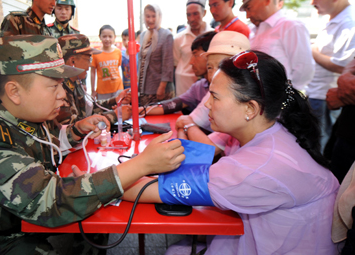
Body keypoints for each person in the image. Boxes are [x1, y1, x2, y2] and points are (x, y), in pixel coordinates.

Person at [0, 34, 185, 255]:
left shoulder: (22, 112)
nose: (63, 95)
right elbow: (49, 202)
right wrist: (142, 165)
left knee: (97, 227)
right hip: (5, 240)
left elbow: (47, 142)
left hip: (31, 222)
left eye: (62, 85)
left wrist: (75, 130)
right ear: (14, 91)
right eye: (53, 86)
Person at [123, 51, 340, 255]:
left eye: (215, 97)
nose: (207, 103)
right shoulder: (269, 132)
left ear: (250, 109)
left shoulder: (255, 168)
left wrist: (140, 165)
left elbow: (137, 190)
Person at [308, 0, 355, 151]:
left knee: (319, 148)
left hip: (327, 98)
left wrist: (313, 51)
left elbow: (341, 65)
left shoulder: (349, 24)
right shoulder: (333, 20)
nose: (313, 2)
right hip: (317, 94)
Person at [241, 0, 315, 91]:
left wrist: (288, 97)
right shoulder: (252, 30)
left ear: (266, 0)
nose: (247, 15)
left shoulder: (291, 27)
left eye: (249, 8)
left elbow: (304, 70)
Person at [174, 31, 251, 139]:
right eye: (210, 67)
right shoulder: (213, 91)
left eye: (221, 67)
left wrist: (186, 127)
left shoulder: (239, 99)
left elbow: (210, 148)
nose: (214, 76)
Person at [56, 34, 131, 125]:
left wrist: (115, 100)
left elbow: (89, 109)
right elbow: (73, 129)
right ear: (73, 61)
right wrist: (115, 115)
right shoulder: (59, 91)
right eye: (88, 59)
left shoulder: (75, 83)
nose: (90, 65)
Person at [140, 31, 216, 116]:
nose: (191, 62)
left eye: (195, 55)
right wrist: (137, 110)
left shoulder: (226, 87)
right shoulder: (199, 87)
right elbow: (172, 104)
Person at [0, 0, 66, 38]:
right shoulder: (16, 21)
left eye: (56, 0)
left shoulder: (47, 31)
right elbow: (4, 50)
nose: (54, 4)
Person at [173, 0, 213, 96]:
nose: (192, 19)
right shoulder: (178, 39)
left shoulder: (213, 36)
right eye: (188, 15)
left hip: (208, 89)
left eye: (196, 14)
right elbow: (176, 63)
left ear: (204, 13)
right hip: (184, 87)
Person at [138, 4, 174, 105]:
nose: (150, 19)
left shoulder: (166, 35)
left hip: (160, 89)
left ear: (159, 16)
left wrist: (161, 87)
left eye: (154, 16)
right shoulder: (143, 35)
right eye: (147, 16)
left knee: (158, 119)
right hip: (145, 87)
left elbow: (168, 64)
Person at [90, 25, 124, 100]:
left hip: (118, 89)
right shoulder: (95, 53)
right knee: (104, 110)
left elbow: (118, 68)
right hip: (102, 91)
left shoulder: (118, 52)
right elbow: (92, 72)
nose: (107, 39)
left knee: (118, 110)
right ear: (100, 37)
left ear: (115, 37)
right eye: (104, 36)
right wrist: (93, 90)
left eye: (110, 36)